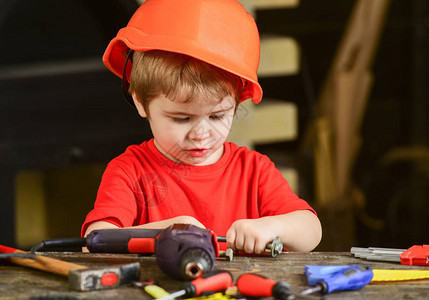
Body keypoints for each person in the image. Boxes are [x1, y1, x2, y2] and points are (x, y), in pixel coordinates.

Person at [81, 0, 321, 254]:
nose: (200, 134)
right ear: (140, 102)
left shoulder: (253, 171)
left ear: (238, 101)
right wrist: (165, 231)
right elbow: (95, 241)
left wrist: (273, 226)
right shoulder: (129, 172)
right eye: (181, 119)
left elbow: (312, 230)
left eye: (217, 116)